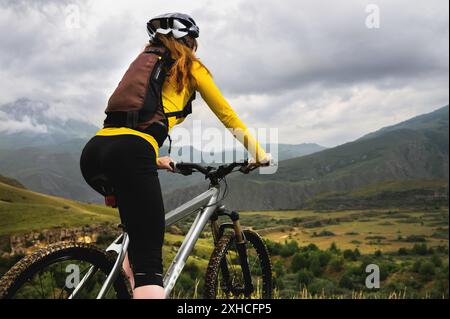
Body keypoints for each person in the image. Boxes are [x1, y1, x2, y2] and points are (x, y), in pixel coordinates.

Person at [79, 12, 271, 299]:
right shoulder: (191, 68)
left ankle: (127, 285)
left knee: (136, 239)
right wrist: (258, 154)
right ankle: (145, 283)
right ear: (190, 42)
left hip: (95, 152)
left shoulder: (145, 64)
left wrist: (153, 157)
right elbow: (227, 115)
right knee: (150, 268)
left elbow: (128, 123)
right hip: (131, 154)